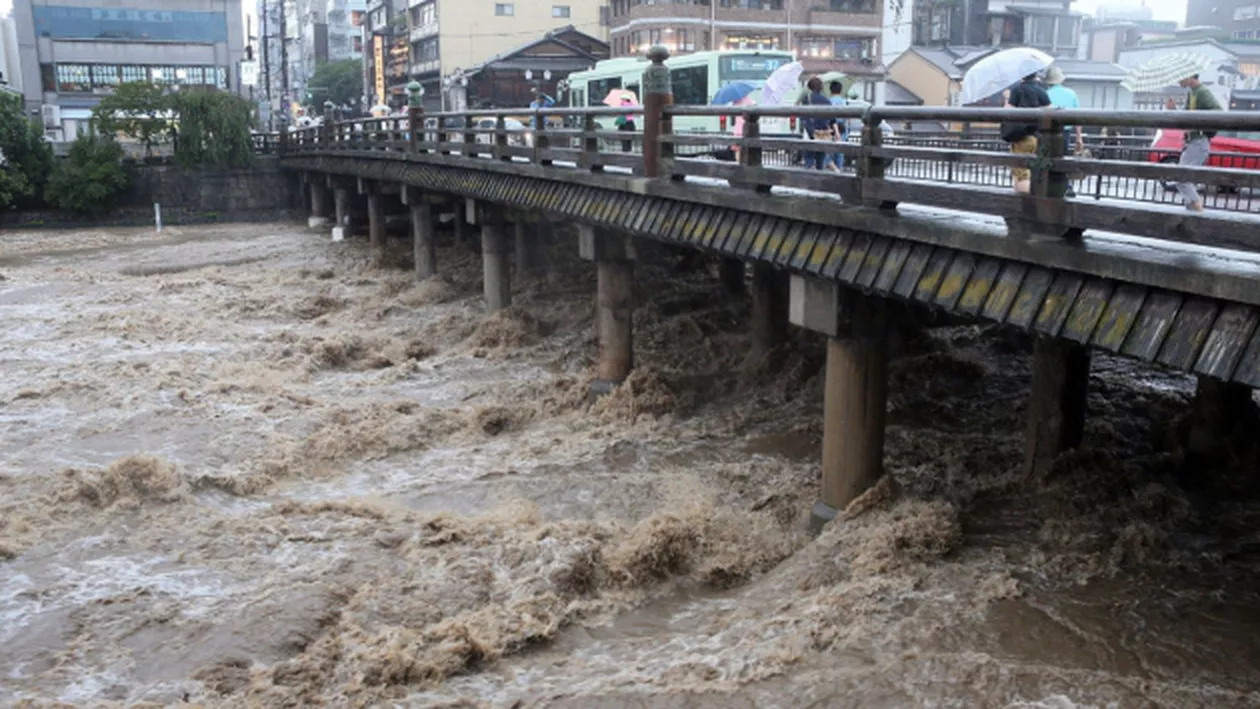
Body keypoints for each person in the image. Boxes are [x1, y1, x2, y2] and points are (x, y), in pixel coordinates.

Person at [1166, 74, 1221, 213]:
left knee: (1181, 178)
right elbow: (1185, 118)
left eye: (1180, 77)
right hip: (1192, 142)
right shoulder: (1192, 93)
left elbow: (1218, 111)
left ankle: (1199, 212)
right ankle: (1193, 214)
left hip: (1198, 141)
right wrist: (1173, 110)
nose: (1178, 80)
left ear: (1190, 76)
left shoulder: (1202, 92)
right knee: (1185, 179)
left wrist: (1198, 123)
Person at [1002, 72, 1051, 194]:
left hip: (1021, 137)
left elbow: (1008, 112)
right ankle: (1032, 198)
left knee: (1021, 172)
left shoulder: (1017, 90)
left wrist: (1006, 99)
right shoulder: (1042, 91)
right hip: (1038, 137)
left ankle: (1024, 201)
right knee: (1034, 170)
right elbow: (1050, 111)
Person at [1044, 66, 1083, 197]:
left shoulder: (1045, 94)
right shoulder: (1071, 94)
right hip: (1065, 132)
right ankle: (1066, 186)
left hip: (1047, 132)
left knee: (1047, 159)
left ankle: (1050, 187)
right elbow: (1078, 118)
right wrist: (1079, 137)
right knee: (1062, 159)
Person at [800, 77, 834, 170]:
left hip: (810, 131)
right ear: (821, 87)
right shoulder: (827, 101)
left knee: (809, 158)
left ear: (810, 87)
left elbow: (803, 117)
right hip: (823, 134)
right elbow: (831, 119)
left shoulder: (806, 99)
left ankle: (810, 173)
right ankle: (819, 174)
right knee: (821, 158)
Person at [824, 80, 848, 172]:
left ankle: (834, 171)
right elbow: (847, 120)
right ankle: (839, 173)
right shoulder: (844, 102)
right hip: (842, 130)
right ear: (841, 90)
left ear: (830, 90)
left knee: (827, 155)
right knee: (840, 154)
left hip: (832, 130)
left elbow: (828, 119)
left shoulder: (829, 102)